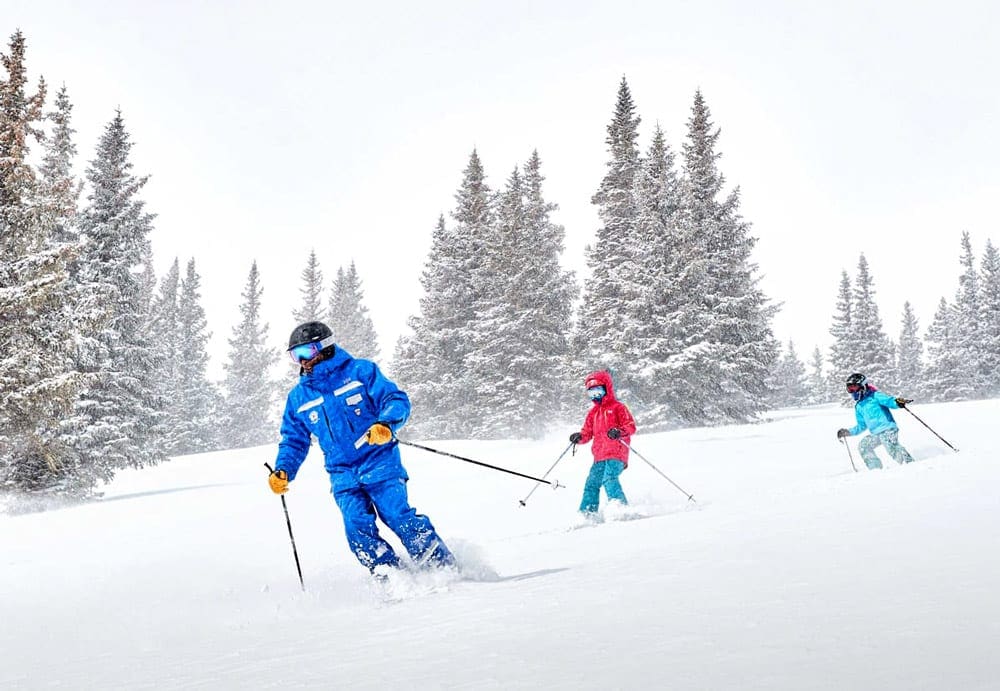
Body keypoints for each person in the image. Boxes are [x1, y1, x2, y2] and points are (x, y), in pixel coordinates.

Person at [268, 321, 455, 575]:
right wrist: (283, 470)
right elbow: (294, 439)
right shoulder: (299, 397)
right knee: (356, 526)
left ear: (324, 347)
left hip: (379, 461)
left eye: (306, 352)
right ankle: (391, 576)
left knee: (397, 515)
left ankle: (441, 568)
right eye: (295, 355)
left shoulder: (361, 372)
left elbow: (395, 399)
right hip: (342, 473)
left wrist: (386, 424)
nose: (301, 361)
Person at [568, 370, 637, 516]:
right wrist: (579, 437)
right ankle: (587, 514)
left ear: (607, 388)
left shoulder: (618, 407)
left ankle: (621, 508)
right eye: (591, 393)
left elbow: (630, 426)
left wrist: (619, 431)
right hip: (599, 457)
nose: (595, 395)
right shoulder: (593, 413)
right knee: (591, 483)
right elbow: (587, 433)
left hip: (616, 453)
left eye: (598, 391)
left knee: (609, 478)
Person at [836, 372, 914, 470]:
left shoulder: (875, 396)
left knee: (889, 443)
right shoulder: (859, 406)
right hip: (876, 434)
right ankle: (875, 470)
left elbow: (889, 401)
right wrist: (848, 432)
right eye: (850, 389)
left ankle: (909, 464)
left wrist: (897, 402)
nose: (852, 391)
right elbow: (862, 426)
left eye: (854, 388)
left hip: (888, 429)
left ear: (863, 386)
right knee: (864, 446)